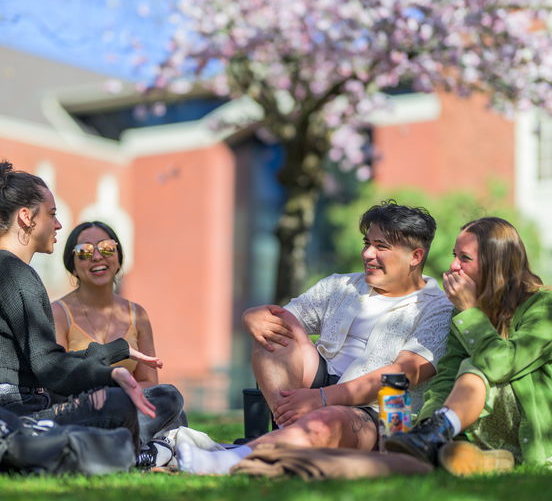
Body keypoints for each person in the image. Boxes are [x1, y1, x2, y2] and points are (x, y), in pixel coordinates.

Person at [177, 200, 453, 474]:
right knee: (274, 330)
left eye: (381, 246)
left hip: (377, 413)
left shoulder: (437, 308)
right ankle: (290, 431)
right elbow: (279, 320)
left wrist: (322, 399)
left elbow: (403, 373)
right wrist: (251, 315)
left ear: (415, 256)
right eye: (366, 243)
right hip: (310, 390)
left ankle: (226, 460)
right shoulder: (339, 285)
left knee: (327, 420)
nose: (368, 254)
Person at [0, 161, 158, 450]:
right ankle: (145, 453)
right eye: (52, 214)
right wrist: (110, 372)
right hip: (20, 417)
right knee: (119, 403)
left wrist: (117, 351)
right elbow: (49, 366)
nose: (58, 224)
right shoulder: (16, 274)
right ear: (26, 217)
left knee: (162, 397)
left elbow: (45, 361)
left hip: (20, 409)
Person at [386, 217, 552, 476]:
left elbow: (501, 364)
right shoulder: (462, 313)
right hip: (481, 427)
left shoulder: (544, 306)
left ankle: (438, 434)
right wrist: (425, 423)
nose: (453, 265)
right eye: (454, 255)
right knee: (448, 449)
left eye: (464, 258)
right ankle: (478, 453)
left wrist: (470, 312)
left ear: (495, 263)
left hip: (531, 429)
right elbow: (447, 376)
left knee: (475, 364)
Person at [52, 221, 187, 451]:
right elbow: (58, 379)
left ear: (118, 258)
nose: (97, 257)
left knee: (169, 398)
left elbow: (149, 382)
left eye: (106, 248)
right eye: (84, 252)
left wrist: (119, 398)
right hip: (83, 410)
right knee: (173, 419)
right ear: (73, 266)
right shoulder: (58, 313)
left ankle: (124, 445)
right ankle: (146, 446)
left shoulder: (137, 315)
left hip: (128, 407)